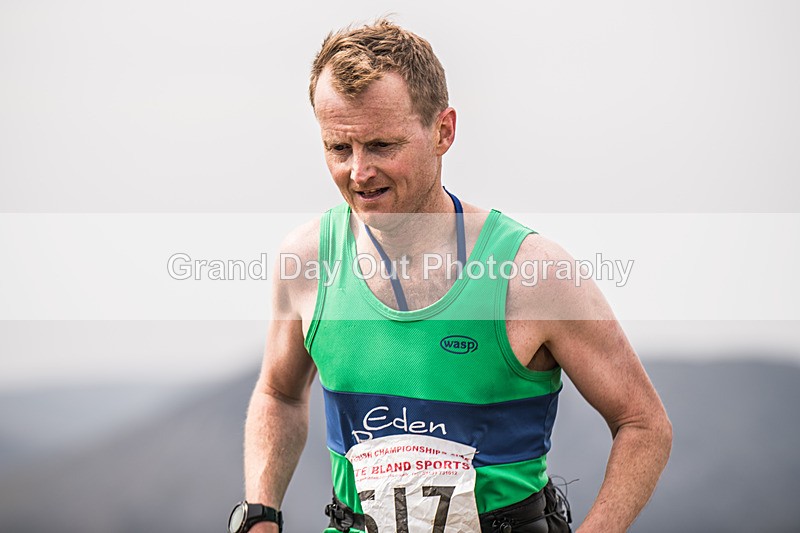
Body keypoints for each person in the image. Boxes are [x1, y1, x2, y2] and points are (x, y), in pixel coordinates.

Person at [234, 19, 672, 533]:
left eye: (381, 145)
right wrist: (260, 514)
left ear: (443, 131)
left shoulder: (532, 274)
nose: (358, 172)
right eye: (338, 148)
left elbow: (644, 425)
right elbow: (280, 394)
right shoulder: (307, 262)